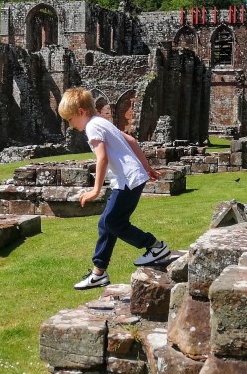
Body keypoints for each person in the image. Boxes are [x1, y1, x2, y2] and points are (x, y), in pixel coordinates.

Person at [57, 87, 171, 290]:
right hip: (131, 178)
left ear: (81, 112)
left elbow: (102, 158)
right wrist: (147, 168)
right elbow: (131, 140)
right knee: (106, 223)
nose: (70, 125)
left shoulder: (93, 127)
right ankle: (98, 272)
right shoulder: (102, 121)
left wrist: (95, 190)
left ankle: (155, 246)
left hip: (127, 180)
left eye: (70, 119)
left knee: (113, 222)